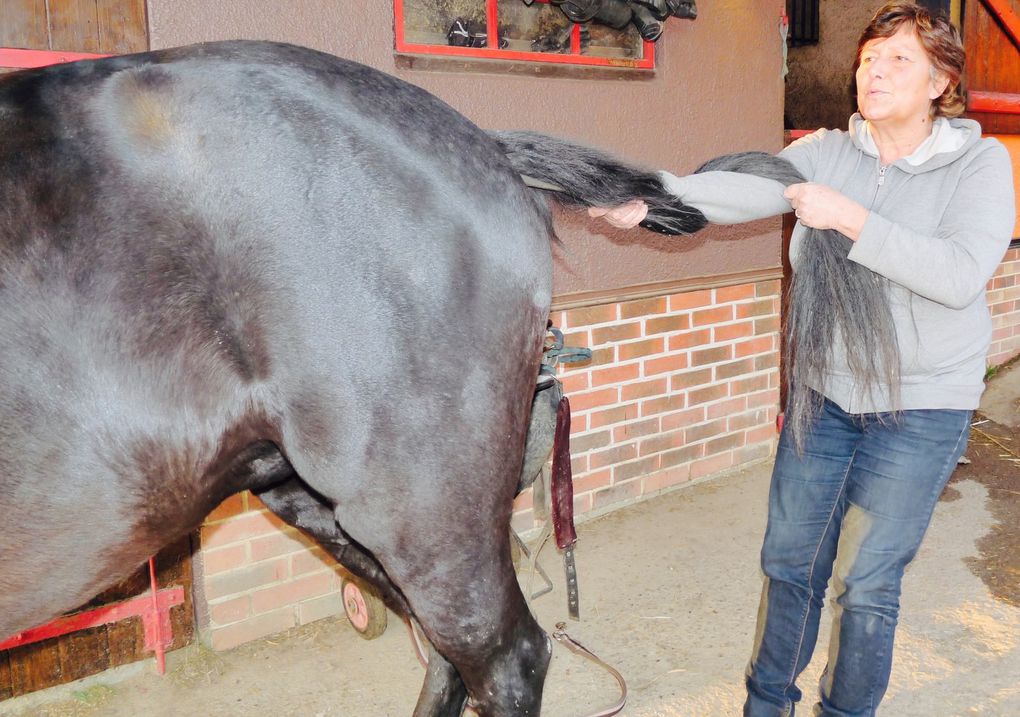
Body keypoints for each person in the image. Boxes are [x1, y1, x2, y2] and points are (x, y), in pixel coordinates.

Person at [592, 3, 1015, 715]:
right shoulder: (827, 151)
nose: (872, 72)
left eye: (897, 61)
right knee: (790, 565)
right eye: (868, 59)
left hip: (922, 404)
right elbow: (754, 186)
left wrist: (848, 216)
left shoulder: (979, 164)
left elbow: (958, 273)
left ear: (942, 80)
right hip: (827, 393)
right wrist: (662, 194)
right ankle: (767, 705)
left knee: (869, 580)